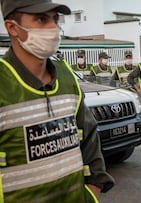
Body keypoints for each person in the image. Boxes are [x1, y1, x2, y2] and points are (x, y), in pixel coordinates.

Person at [0, 0, 115, 202]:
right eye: (41, 19)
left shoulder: (66, 75)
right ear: (12, 27)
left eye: (55, 19)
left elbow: (88, 137)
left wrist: (93, 190)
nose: (53, 28)